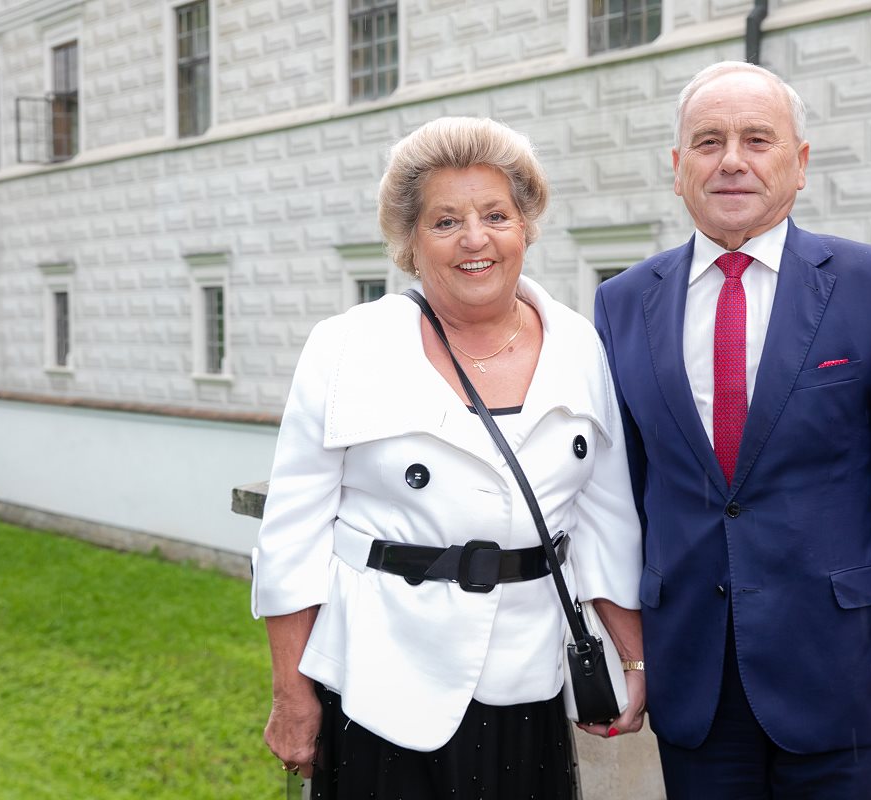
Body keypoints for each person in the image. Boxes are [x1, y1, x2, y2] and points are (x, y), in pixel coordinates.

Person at [594, 61, 871, 798]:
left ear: (800, 164)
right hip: (690, 670)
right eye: (709, 142)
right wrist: (628, 651)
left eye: (757, 139)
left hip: (843, 670)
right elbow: (619, 498)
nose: (731, 160)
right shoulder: (623, 302)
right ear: (677, 168)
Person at [252, 116, 646, 800]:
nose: (474, 239)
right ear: (410, 242)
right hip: (382, 687)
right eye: (445, 221)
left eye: (495, 215)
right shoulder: (347, 348)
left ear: (525, 227)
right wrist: (292, 694)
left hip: (528, 682)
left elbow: (606, 520)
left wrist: (633, 659)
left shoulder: (579, 346)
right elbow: (291, 537)